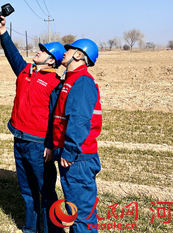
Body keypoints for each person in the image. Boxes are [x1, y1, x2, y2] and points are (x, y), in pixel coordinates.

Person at [0, 12, 65, 233]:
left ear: (51, 60)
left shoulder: (55, 83)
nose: (38, 51)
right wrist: (3, 30)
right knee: (27, 191)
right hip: (19, 139)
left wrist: (51, 146)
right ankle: (30, 229)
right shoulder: (25, 71)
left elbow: (56, 117)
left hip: (38, 146)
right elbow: (12, 54)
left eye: (44, 51)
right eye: (40, 49)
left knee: (46, 192)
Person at [45, 39, 102, 233]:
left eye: (69, 50)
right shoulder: (70, 79)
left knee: (81, 216)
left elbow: (79, 120)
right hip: (72, 155)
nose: (64, 52)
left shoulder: (82, 81)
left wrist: (69, 151)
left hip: (78, 158)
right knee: (75, 211)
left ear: (78, 55)